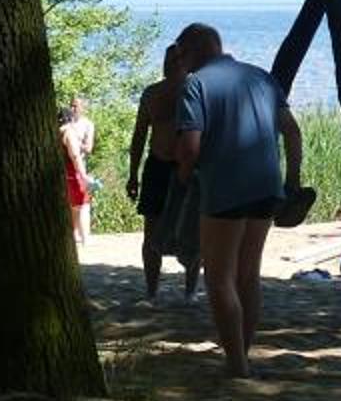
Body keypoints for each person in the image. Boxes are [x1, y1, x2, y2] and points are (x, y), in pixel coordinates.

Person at [169, 23, 303, 380]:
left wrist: (183, 176)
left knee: (219, 278)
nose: (180, 62)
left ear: (194, 49)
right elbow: (292, 131)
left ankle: (236, 365)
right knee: (248, 274)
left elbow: (190, 147)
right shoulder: (261, 78)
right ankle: (243, 353)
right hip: (266, 187)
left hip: (224, 189)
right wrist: (291, 180)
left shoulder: (196, 85)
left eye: (181, 54)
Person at [125, 48, 199, 304]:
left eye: (176, 60)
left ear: (186, 63)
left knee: (192, 231)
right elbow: (139, 135)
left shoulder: (196, 91)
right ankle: (152, 291)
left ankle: (190, 291)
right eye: (167, 60)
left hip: (188, 166)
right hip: (157, 166)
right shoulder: (151, 93)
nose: (170, 64)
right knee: (151, 232)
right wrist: (132, 174)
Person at [58, 95, 95, 248]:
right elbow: (74, 154)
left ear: (83, 108)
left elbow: (89, 148)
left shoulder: (88, 124)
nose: (73, 108)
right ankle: (84, 239)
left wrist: (78, 144)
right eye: (71, 106)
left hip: (76, 166)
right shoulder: (68, 129)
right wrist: (84, 175)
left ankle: (75, 237)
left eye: (76, 106)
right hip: (73, 169)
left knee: (75, 205)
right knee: (82, 205)